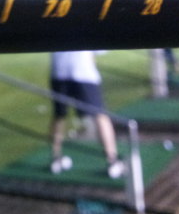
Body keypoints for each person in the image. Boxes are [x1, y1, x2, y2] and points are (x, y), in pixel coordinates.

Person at [49, 50, 125, 179]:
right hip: (83, 72)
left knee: (59, 116)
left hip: (59, 72)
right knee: (100, 116)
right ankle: (112, 160)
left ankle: (55, 158)